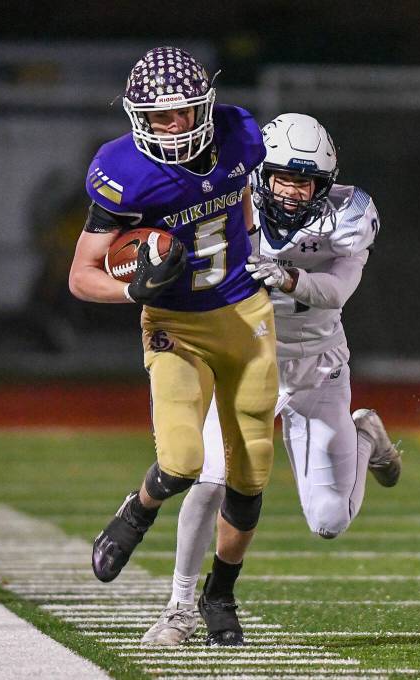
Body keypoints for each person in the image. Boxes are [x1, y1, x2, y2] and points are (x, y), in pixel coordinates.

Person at [140, 113, 404, 646]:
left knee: (329, 522)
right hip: (246, 356)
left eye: (304, 180)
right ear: (262, 174)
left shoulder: (349, 214)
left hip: (318, 367)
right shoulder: (232, 200)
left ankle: (364, 432)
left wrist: (288, 276)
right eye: (282, 176)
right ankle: (178, 608)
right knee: (211, 478)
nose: (290, 190)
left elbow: (337, 290)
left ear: (323, 183)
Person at [68, 46, 277, 646]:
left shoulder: (239, 134)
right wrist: (135, 289)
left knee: (251, 470)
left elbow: (237, 194)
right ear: (139, 117)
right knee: (184, 461)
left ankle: (221, 596)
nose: (176, 126)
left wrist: (254, 246)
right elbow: (82, 276)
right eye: (161, 117)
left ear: (205, 107)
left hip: (245, 312)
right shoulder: (123, 169)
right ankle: (136, 511)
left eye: (186, 113)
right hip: (175, 323)